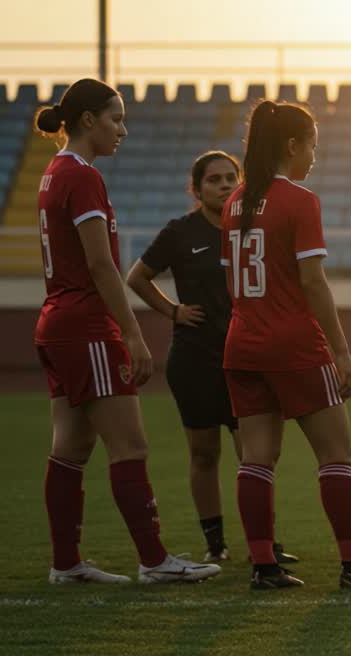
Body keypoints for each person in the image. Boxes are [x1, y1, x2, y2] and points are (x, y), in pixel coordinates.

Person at [33, 78, 220, 584]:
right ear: (88, 120)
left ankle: (66, 562)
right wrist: (133, 333)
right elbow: (100, 264)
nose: (124, 129)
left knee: (70, 449)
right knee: (130, 447)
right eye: (116, 119)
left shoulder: (54, 173)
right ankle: (155, 561)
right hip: (86, 326)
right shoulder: (82, 176)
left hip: (57, 322)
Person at [223, 100, 351, 589]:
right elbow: (313, 282)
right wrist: (342, 351)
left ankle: (264, 566)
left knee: (256, 458)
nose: (314, 155)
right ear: (292, 145)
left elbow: (233, 281)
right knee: (336, 456)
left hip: (242, 342)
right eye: (312, 145)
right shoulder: (299, 200)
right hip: (293, 345)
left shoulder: (235, 200)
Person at [126, 151, 296, 564]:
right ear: (197, 188)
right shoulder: (180, 232)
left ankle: (264, 543)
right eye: (213, 180)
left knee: (255, 454)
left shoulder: (252, 227)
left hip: (247, 358)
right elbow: (137, 277)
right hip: (196, 360)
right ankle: (215, 543)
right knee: (204, 453)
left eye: (229, 178)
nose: (222, 185)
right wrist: (173, 310)